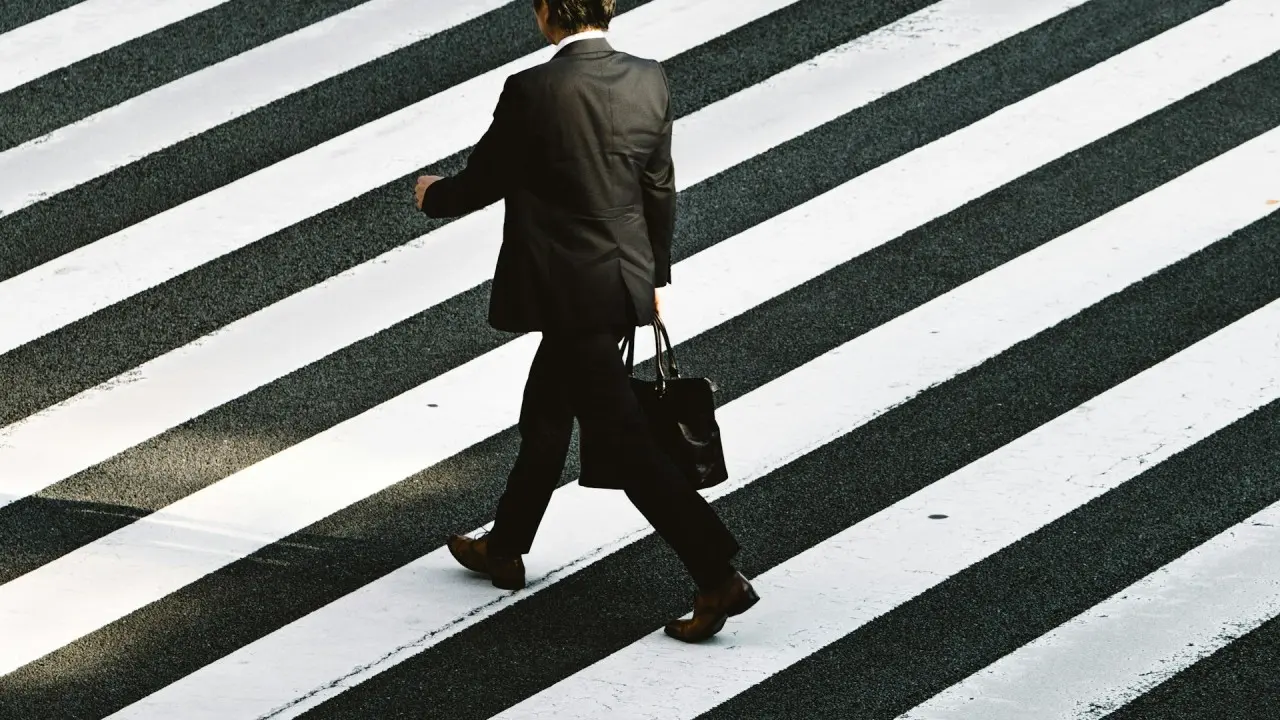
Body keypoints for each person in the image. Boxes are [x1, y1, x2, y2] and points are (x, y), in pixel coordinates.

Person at [414, 0, 758, 642]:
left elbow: (488, 177)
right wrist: (653, 277)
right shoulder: (649, 78)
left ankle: (718, 576)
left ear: (548, 15)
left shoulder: (533, 89)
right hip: (617, 280)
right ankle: (506, 544)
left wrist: (434, 195)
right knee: (545, 415)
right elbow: (658, 185)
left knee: (627, 445)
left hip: (563, 289)